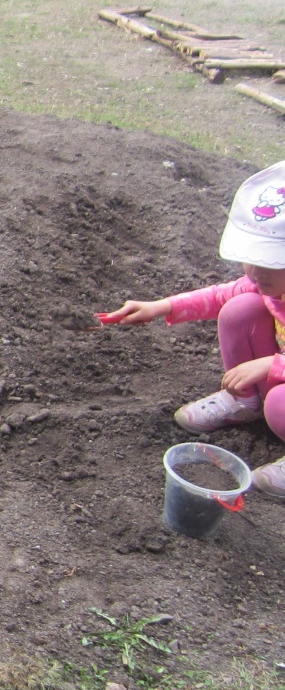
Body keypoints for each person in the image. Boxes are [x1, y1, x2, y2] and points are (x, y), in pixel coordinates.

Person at [99, 161, 285, 498]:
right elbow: (218, 296)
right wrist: (161, 307)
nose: (255, 271)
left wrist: (271, 365)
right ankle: (246, 402)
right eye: (251, 257)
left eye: (271, 261)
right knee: (239, 310)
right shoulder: (266, 283)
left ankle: (269, 405)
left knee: (280, 405)